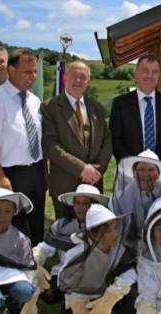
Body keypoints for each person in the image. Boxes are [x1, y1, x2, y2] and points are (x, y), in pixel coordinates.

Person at [0, 48, 45, 245]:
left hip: (36, 170)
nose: (32, 77)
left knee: (36, 221)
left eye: (35, 72)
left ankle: (35, 262)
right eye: (27, 72)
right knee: (14, 224)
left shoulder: (34, 100)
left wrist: (43, 174)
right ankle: (13, 265)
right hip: (11, 173)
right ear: (11, 70)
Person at [57, 204, 138, 314]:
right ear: (94, 234)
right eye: (108, 231)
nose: (115, 234)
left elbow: (132, 270)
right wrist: (76, 304)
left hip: (106, 292)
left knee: (133, 292)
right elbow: (66, 283)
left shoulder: (119, 247)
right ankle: (72, 312)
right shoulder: (77, 253)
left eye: (116, 228)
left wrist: (112, 295)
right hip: (83, 296)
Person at [42, 61, 112, 218]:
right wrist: (81, 169)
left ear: (88, 81)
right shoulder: (50, 107)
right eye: (74, 76)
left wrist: (96, 171)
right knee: (66, 232)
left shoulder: (96, 107)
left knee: (93, 230)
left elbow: (107, 140)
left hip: (93, 183)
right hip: (65, 184)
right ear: (65, 78)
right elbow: (50, 145)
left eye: (83, 77)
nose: (78, 81)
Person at [32, 184, 109, 304]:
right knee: (49, 297)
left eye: (85, 204)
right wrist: (36, 259)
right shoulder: (61, 226)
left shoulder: (106, 228)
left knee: (71, 313)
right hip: (62, 274)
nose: (80, 208)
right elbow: (45, 248)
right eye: (77, 203)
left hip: (91, 278)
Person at [109, 53, 161, 167]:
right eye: (145, 71)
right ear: (136, 73)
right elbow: (115, 140)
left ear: (159, 76)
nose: (150, 75)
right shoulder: (120, 104)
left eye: (155, 72)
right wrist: (134, 165)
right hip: (130, 172)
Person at [109, 150, 161, 246]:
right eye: (141, 169)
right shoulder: (123, 196)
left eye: (151, 170)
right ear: (134, 173)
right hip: (129, 244)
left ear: (158, 173)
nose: (145, 174)